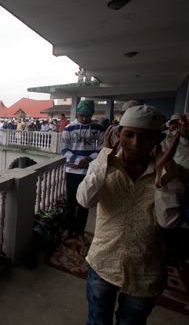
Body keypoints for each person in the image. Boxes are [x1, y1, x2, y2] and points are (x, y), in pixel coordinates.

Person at [77, 105, 184, 324]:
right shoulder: (105, 166)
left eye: (145, 137)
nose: (136, 143)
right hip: (103, 262)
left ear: (158, 138)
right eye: (129, 135)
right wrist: (102, 159)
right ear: (118, 134)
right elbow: (84, 200)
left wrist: (163, 181)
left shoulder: (169, 173)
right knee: (97, 320)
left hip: (145, 269)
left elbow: (169, 222)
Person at [60, 100, 104, 240]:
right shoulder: (68, 128)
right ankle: (68, 229)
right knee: (70, 202)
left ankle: (79, 231)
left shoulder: (98, 128)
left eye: (87, 116)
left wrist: (88, 160)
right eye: (81, 115)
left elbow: (102, 148)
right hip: (72, 171)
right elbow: (64, 149)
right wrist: (77, 161)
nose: (84, 119)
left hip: (89, 171)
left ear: (91, 114)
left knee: (84, 202)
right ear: (77, 114)